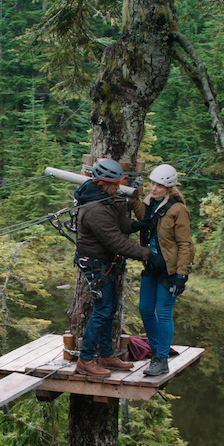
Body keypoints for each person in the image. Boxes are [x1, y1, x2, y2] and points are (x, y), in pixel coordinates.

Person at [72, 158, 151, 377]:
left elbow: (120, 224)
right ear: (102, 182)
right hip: (96, 266)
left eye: (118, 184)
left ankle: (106, 355)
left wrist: (138, 225)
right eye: (114, 184)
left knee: (109, 310)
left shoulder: (103, 198)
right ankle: (85, 360)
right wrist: (148, 254)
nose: (118, 188)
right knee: (102, 311)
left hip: (103, 264)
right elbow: (117, 242)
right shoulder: (95, 208)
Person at [136, 163, 195, 376]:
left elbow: (185, 244)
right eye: (151, 183)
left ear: (168, 188)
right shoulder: (151, 203)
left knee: (163, 312)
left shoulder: (178, 209)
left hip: (170, 269)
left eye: (159, 186)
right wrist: (133, 194)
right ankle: (155, 350)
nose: (153, 188)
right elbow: (141, 215)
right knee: (145, 309)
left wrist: (181, 275)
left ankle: (161, 359)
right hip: (152, 266)